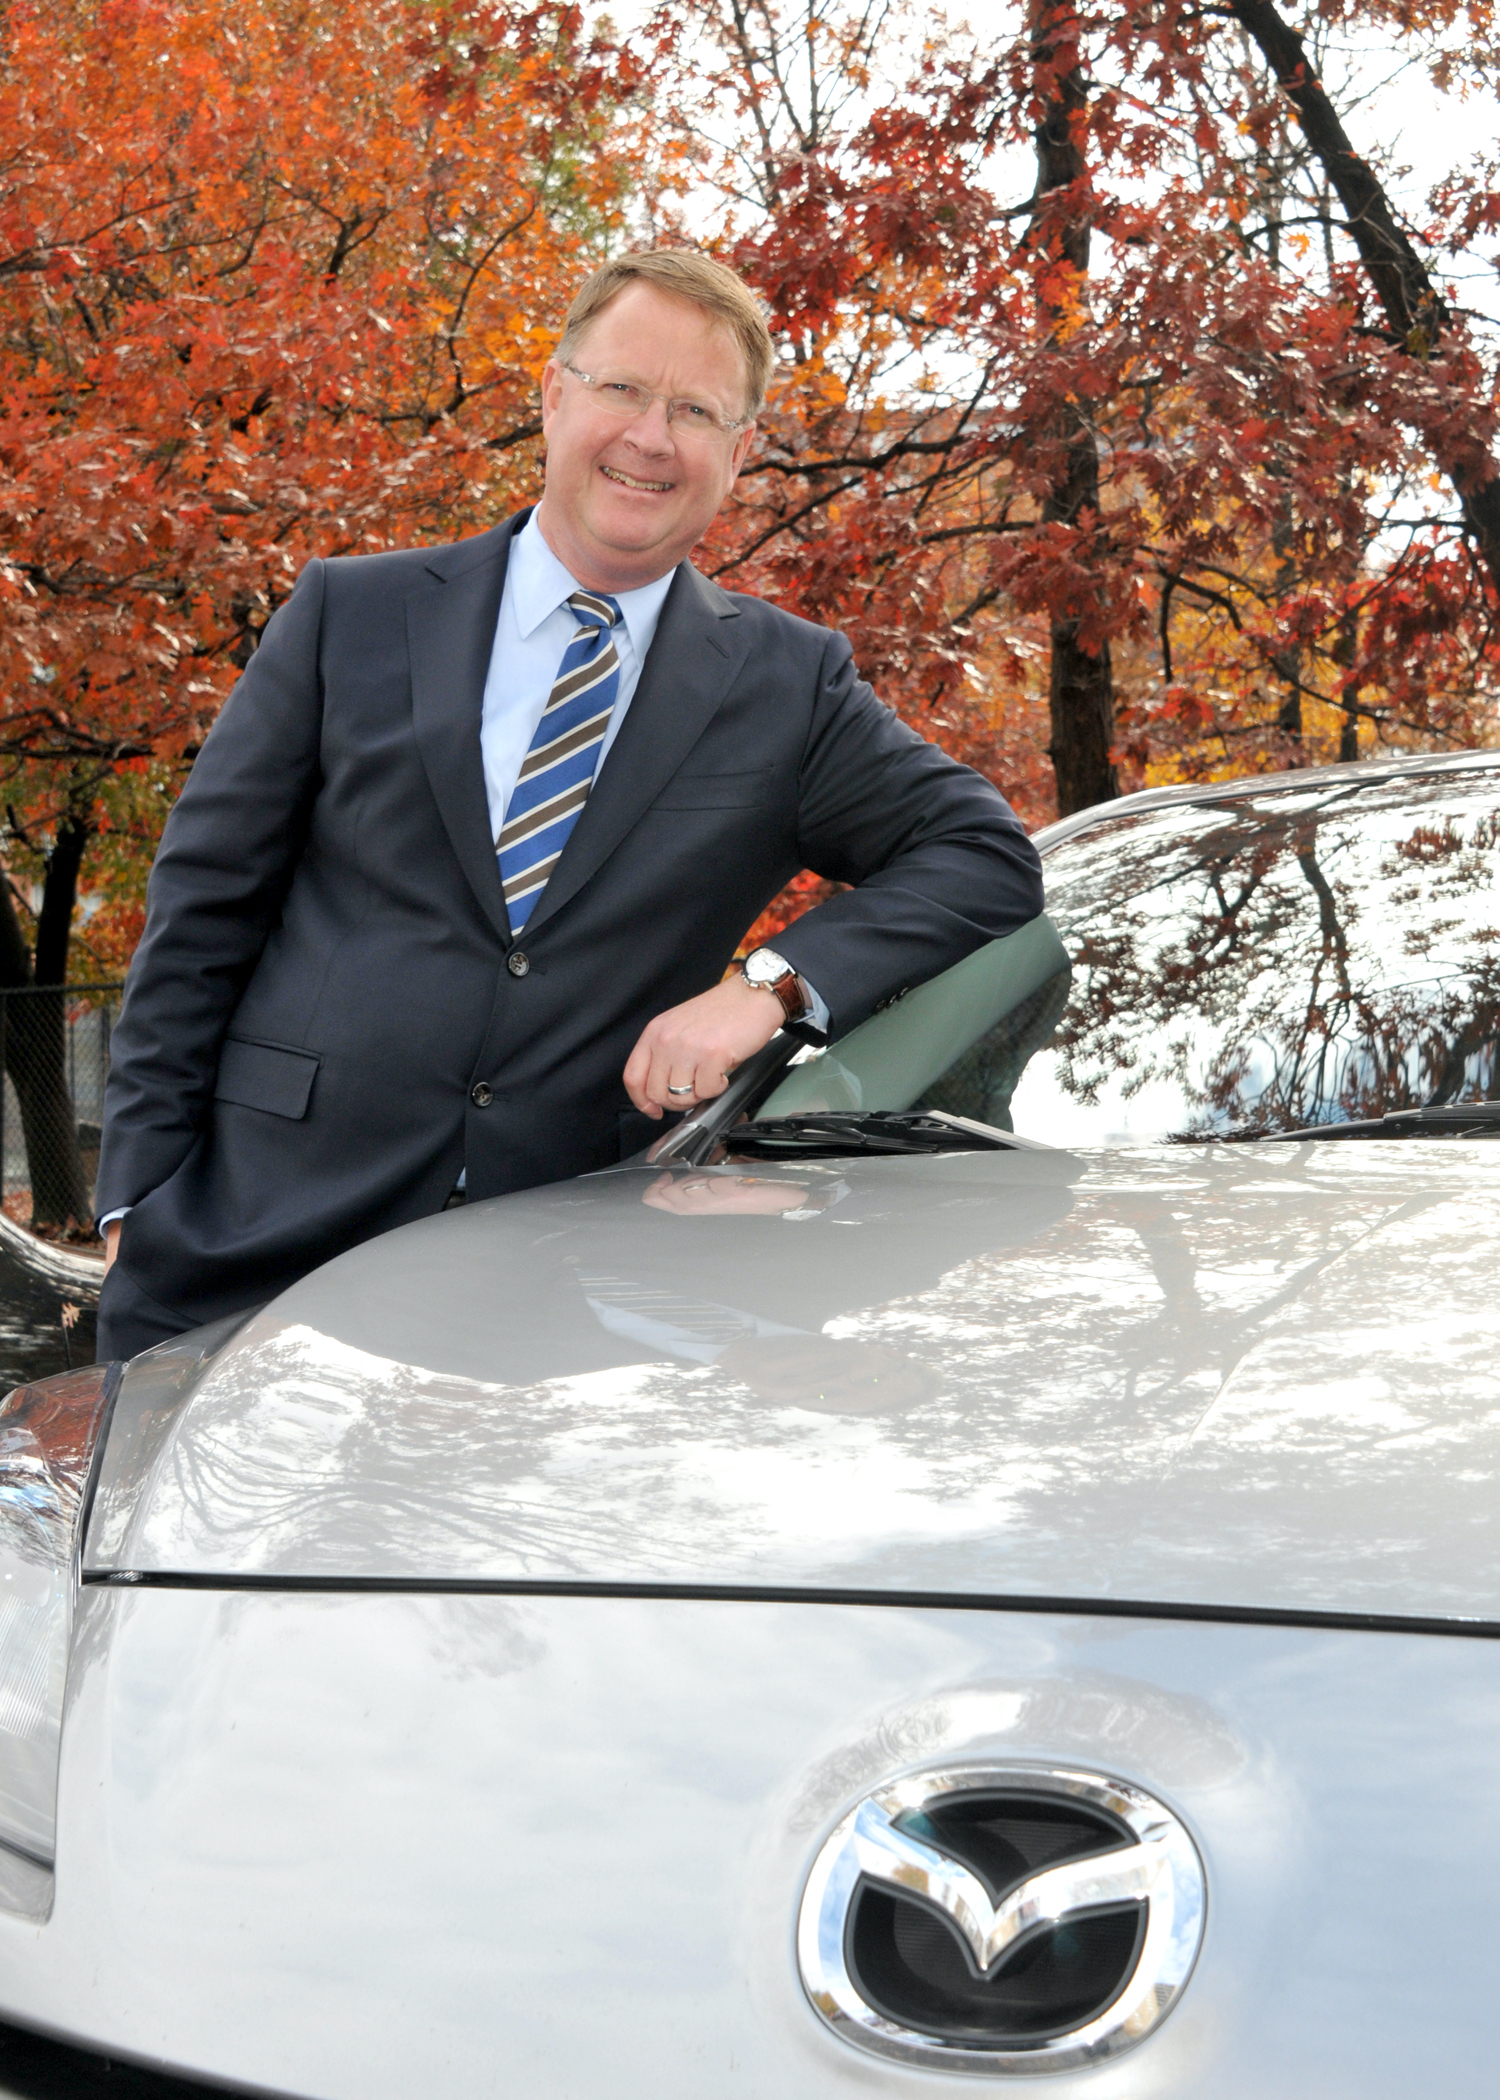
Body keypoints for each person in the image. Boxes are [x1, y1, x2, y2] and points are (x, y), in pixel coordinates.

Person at [93, 249, 1044, 1361]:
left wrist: (765, 990)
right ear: (553, 396)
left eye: (695, 410)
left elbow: (983, 852)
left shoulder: (788, 686)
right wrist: (134, 1206)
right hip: (247, 1254)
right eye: (622, 389)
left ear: (738, 455)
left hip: (565, 1297)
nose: (651, 437)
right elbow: (202, 914)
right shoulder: (352, 614)